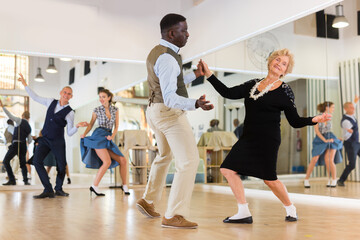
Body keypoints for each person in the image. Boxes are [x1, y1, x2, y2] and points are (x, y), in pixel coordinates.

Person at [200, 48, 330, 223]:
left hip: (268, 140)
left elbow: (295, 121)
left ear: (285, 71)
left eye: (284, 64)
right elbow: (228, 93)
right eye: (277, 60)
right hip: (248, 138)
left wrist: (314, 119)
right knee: (227, 169)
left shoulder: (285, 90)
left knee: (270, 179)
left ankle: (290, 208)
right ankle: (243, 211)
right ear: (270, 62)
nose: (279, 64)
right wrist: (209, 74)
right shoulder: (252, 84)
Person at [136, 13, 213, 229]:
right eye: (184, 30)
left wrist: (194, 75)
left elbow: (169, 83)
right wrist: (195, 103)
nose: (188, 34)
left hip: (154, 110)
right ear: (172, 33)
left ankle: (148, 200)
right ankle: (174, 214)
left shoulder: (157, 52)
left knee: (165, 154)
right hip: (168, 113)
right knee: (189, 161)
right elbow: (170, 97)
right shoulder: (168, 58)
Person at [18, 73, 88, 198]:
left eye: (69, 94)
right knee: (37, 161)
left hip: (58, 141)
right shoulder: (50, 101)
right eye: (65, 92)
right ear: (61, 92)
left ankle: (59, 188)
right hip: (45, 139)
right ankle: (48, 189)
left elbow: (69, 132)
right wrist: (25, 85)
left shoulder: (70, 113)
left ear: (71, 97)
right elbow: (35, 97)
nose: (66, 95)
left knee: (61, 165)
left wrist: (77, 126)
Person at [80, 89, 128, 196]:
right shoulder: (96, 110)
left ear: (109, 98)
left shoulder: (115, 109)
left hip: (108, 137)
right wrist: (84, 133)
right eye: (100, 97)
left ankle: (124, 186)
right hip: (98, 136)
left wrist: (112, 136)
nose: (101, 99)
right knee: (107, 162)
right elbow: (91, 124)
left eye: (103, 97)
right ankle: (94, 186)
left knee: (123, 160)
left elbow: (116, 126)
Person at [304, 101, 342, 188]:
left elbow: (328, 131)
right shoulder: (318, 117)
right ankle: (306, 179)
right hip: (320, 139)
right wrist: (325, 140)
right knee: (314, 159)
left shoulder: (329, 117)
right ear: (327, 107)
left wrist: (334, 139)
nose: (333, 109)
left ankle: (333, 179)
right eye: (332, 107)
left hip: (330, 137)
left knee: (329, 159)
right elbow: (317, 131)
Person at [1, 100, 32, 185]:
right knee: (22, 163)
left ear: (22, 116)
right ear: (28, 117)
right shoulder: (29, 127)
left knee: (6, 161)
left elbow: (9, 115)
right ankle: (26, 181)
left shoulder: (19, 120)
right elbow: (30, 140)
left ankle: (12, 180)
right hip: (23, 145)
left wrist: (3, 106)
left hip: (16, 144)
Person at [338, 97, 360, 187]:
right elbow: (346, 135)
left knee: (352, 164)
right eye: (351, 107)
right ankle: (340, 180)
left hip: (356, 143)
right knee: (352, 165)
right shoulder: (346, 121)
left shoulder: (350, 115)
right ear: (346, 109)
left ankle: (340, 180)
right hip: (350, 144)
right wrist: (348, 132)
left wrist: (355, 102)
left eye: (353, 107)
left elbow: (352, 107)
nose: (353, 108)